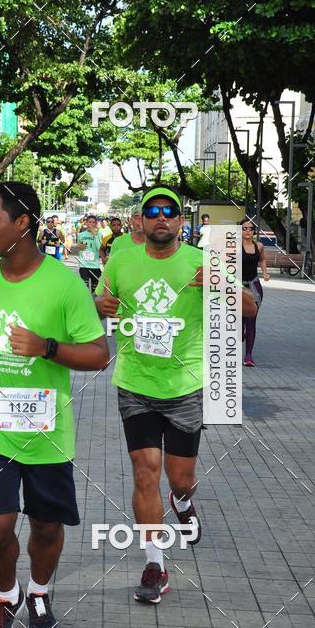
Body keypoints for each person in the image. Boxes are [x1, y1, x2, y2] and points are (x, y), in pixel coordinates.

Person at [0, 181, 109, 628]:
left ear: (22, 224)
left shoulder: (64, 283)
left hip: (47, 432)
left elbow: (100, 354)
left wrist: (46, 347)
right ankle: (6, 597)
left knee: (46, 526)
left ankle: (40, 593)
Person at [95, 186, 257, 604]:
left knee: (179, 477)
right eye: (153, 211)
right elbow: (101, 301)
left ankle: (183, 502)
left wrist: (220, 283)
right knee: (144, 472)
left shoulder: (202, 261)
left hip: (186, 386)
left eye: (169, 211)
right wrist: (103, 307)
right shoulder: (121, 260)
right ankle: (155, 563)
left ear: (181, 222)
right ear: (141, 220)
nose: (161, 218)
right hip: (135, 383)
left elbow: (251, 308)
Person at [241, 217, 270, 366]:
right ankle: (241, 333)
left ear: (254, 231)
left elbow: (263, 260)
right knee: (239, 324)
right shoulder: (233, 247)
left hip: (254, 286)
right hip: (238, 287)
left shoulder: (259, 246)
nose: (247, 231)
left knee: (251, 321)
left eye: (250, 228)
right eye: (244, 228)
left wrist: (265, 273)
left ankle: (248, 356)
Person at [71, 214, 102, 290]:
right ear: (86, 223)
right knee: (85, 287)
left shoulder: (99, 234)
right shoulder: (81, 235)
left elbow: (99, 248)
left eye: (93, 222)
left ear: (95, 224)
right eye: (89, 222)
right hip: (83, 264)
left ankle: (93, 301)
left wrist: (95, 235)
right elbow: (79, 247)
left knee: (95, 289)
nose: (91, 224)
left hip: (95, 265)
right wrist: (77, 246)